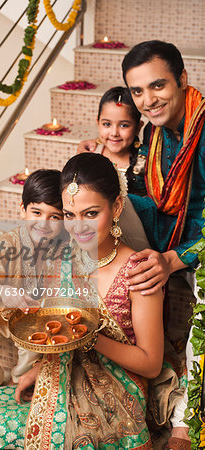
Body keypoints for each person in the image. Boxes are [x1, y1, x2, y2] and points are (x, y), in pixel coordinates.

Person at [0, 153, 171, 449]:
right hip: (58, 375)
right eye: (69, 214)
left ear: (116, 207)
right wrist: (38, 370)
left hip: (113, 396)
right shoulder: (65, 258)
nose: (79, 228)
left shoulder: (139, 273)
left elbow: (151, 365)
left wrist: (88, 339)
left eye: (91, 213)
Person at [78, 40, 205, 448]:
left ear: (182, 80)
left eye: (158, 86)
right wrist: (97, 157)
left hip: (189, 248)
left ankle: (186, 421)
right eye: (137, 92)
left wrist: (174, 259)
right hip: (163, 238)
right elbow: (135, 190)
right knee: (99, 193)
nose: (147, 101)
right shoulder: (152, 134)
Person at [0, 169, 67, 388]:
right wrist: (3, 292)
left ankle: (19, 378)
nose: (44, 224)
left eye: (54, 217)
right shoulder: (8, 243)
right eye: (36, 213)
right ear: (23, 210)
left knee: (33, 347)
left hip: (33, 319)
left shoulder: (65, 248)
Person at [95, 86, 147, 196]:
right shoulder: (91, 154)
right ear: (98, 123)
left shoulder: (146, 159)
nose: (114, 133)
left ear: (138, 127)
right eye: (107, 124)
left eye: (124, 125)